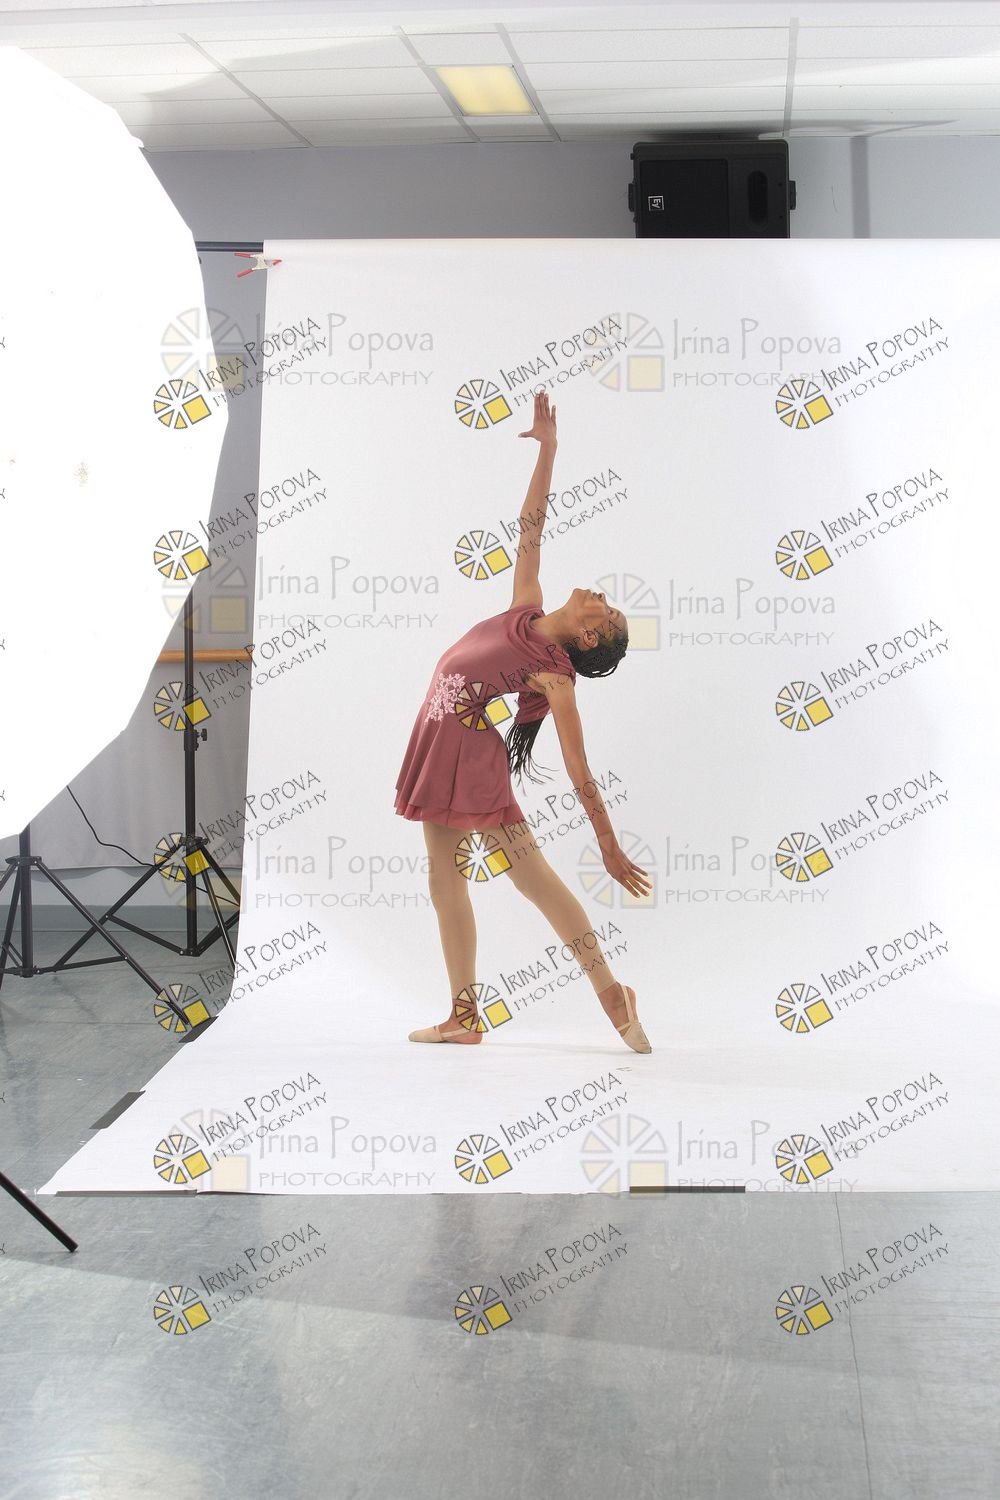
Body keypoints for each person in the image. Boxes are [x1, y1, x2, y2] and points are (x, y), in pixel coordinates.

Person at [394, 391, 653, 1051]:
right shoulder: (526, 606)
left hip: (467, 760)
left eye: (607, 614)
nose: (601, 597)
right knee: (445, 879)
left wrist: (608, 845)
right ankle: (464, 1016)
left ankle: (612, 995)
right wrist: (549, 450)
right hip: (442, 747)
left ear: (589, 639)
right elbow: (531, 523)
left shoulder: (553, 677)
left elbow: (579, 769)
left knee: (532, 881)